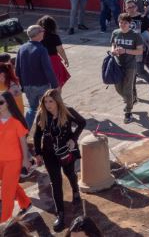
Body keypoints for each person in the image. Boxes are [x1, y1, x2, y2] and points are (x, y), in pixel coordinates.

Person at [33, 89, 86, 231]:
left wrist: (73, 139)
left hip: (66, 151)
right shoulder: (41, 115)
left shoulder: (67, 112)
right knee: (55, 183)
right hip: (49, 154)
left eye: (51, 101)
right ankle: (60, 214)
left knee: (69, 173)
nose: (48, 105)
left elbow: (82, 122)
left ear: (57, 101)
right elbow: (37, 136)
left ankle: (75, 190)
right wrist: (38, 153)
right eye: (45, 102)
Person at [15, 25, 58, 127]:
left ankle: (25, 130)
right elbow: (48, 69)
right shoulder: (41, 49)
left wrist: (21, 85)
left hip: (27, 85)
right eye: (42, 31)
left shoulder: (22, 48)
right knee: (48, 108)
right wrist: (55, 84)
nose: (44, 32)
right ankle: (50, 129)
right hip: (42, 85)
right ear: (38, 34)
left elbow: (17, 69)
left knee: (32, 108)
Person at [0, 90, 32, 223]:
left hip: (13, 161)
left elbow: (23, 143)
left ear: (8, 103)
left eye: (0, 102)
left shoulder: (16, 122)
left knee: (6, 192)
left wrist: (25, 160)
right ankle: (26, 203)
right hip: (0, 160)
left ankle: (4, 221)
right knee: (10, 184)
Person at [110, 14, 143, 122]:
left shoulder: (135, 35)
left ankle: (128, 112)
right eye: (121, 22)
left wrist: (125, 51)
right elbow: (113, 45)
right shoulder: (115, 33)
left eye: (125, 23)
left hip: (130, 66)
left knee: (127, 90)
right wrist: (113, 51)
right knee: (118, 88)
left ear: (130, 24)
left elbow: (139, 51)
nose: (123, 25)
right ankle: (132, 99)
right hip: (118, 65)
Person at [36, 16, 70, 90]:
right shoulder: (55, 37)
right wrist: (65, 59)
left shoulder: (38, 37)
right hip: (54, 61)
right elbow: (60, 50)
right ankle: (57, 96)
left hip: (41, 61)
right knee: (57, 82)